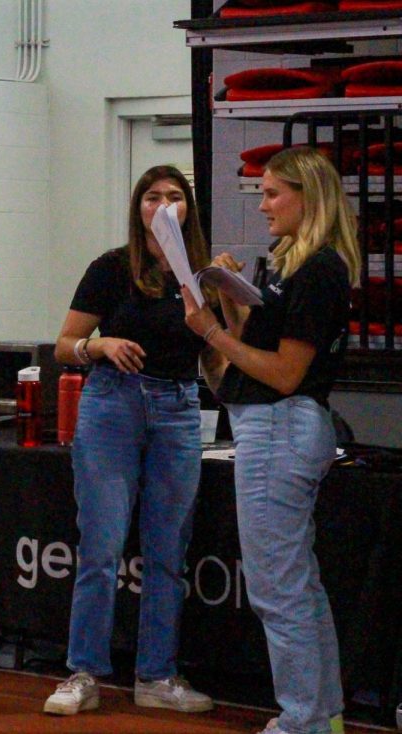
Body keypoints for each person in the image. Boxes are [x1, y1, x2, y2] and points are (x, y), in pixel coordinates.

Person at [183, 146, 358, 734]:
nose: (262, 206)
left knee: (279, 591)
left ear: (309, 197)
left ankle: (305, 719)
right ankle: (323, 715)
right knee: (297, 585)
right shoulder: (291, 265)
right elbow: (255, 355)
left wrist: (210, 329)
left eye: (271, 193)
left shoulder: (318, 271)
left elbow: (283, 373)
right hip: (278, 425)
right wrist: (231, 306)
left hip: (282, 427)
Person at [43, 165, 216, 716]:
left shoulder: (200, 274)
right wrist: (99, 346)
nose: (163, 204)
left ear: (188, 208)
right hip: (114, 402)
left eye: (174, 196)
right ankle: (84, 671)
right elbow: (64, 343)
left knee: (169, 549)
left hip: (178, 405)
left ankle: (157, 675)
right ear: (138, 207)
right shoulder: (112, 268)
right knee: (102, 543)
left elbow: (215, 355)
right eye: (152, 197)